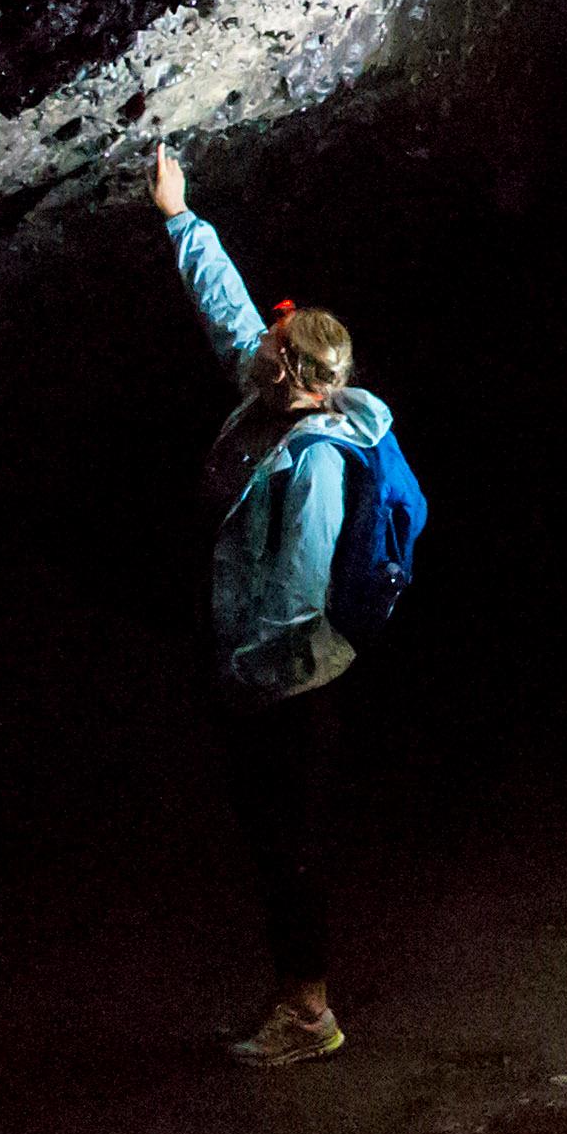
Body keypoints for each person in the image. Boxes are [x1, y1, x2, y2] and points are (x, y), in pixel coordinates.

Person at [148, 143, 392, 1068]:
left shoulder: (317, 456)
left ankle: (309, 1012)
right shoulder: (266, 403)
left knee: (291, 846)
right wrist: (180, 215)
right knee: (269, 843)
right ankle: (293, 998)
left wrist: (243, 680)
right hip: (255, 672)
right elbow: (227, 314)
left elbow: (292, 593)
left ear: (319, 386)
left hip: (292, 682)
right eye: (273, 354)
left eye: (283, 362)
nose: (267, 361)